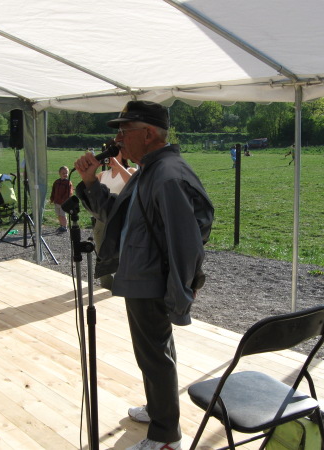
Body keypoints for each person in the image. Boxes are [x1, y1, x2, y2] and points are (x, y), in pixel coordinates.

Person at [74, 100, 214, 450]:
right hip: (142, 277)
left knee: (154, 356)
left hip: (152, 281)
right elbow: (116, 215)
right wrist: (90, 182)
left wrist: (181, 291)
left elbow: (186, 242)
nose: (118, 139)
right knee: (155, 352)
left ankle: (166, 437)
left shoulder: (167, 176)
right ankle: (158, 409)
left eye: (125, 130)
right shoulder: (150, 170)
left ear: (149, 133)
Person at [94, 151, 136, 289]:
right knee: (102, 255)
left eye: (115, 153)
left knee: (123, 254)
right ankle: (107, 286)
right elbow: (90, 191)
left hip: (122, 219)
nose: (111, 157)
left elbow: (135, 184)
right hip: (103, 220)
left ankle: (123, 286)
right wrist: (91, 168)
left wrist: (118, 166)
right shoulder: (103, 174)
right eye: (108, 154)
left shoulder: (131, 170)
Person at [50, 166, 73, 233]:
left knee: (63, 215)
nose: (65, 174)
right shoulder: (56, 182)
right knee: (59, 215)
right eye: (63, 173)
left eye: (66, 173)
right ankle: (61, 225)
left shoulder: (68, 183)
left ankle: (65, 227)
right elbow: (53, 191)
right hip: (56, 202)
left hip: (63, 203)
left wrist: (64, 200)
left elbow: (69, 193)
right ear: (59, 173)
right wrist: (52, 199)